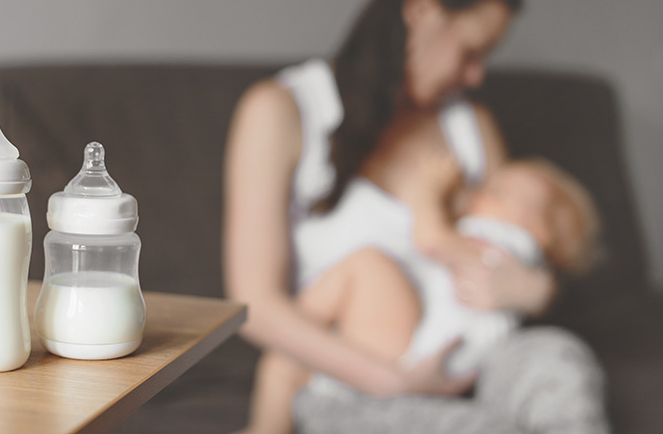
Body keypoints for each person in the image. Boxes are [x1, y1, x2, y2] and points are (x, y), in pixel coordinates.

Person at [223, 0, 609, 434]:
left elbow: (520, 237)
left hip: (472, 360)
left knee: (559, 358)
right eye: (472, 51)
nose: (476, 77)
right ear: (422, 12)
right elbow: (257, 305)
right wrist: (390, 380)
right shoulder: (282, 112)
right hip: (357, 374)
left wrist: (534, 291)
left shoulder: (471, 127)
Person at [243, 158, 600, 434]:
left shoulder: (502, 243)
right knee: (283, 362)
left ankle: (295, 348)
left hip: (418, 350)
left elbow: (429, 239)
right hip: (421, 356)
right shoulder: (493, 242)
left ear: (540, 230)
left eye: (499, 192)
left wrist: (423, 191)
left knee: (366, 266)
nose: (481, 192)